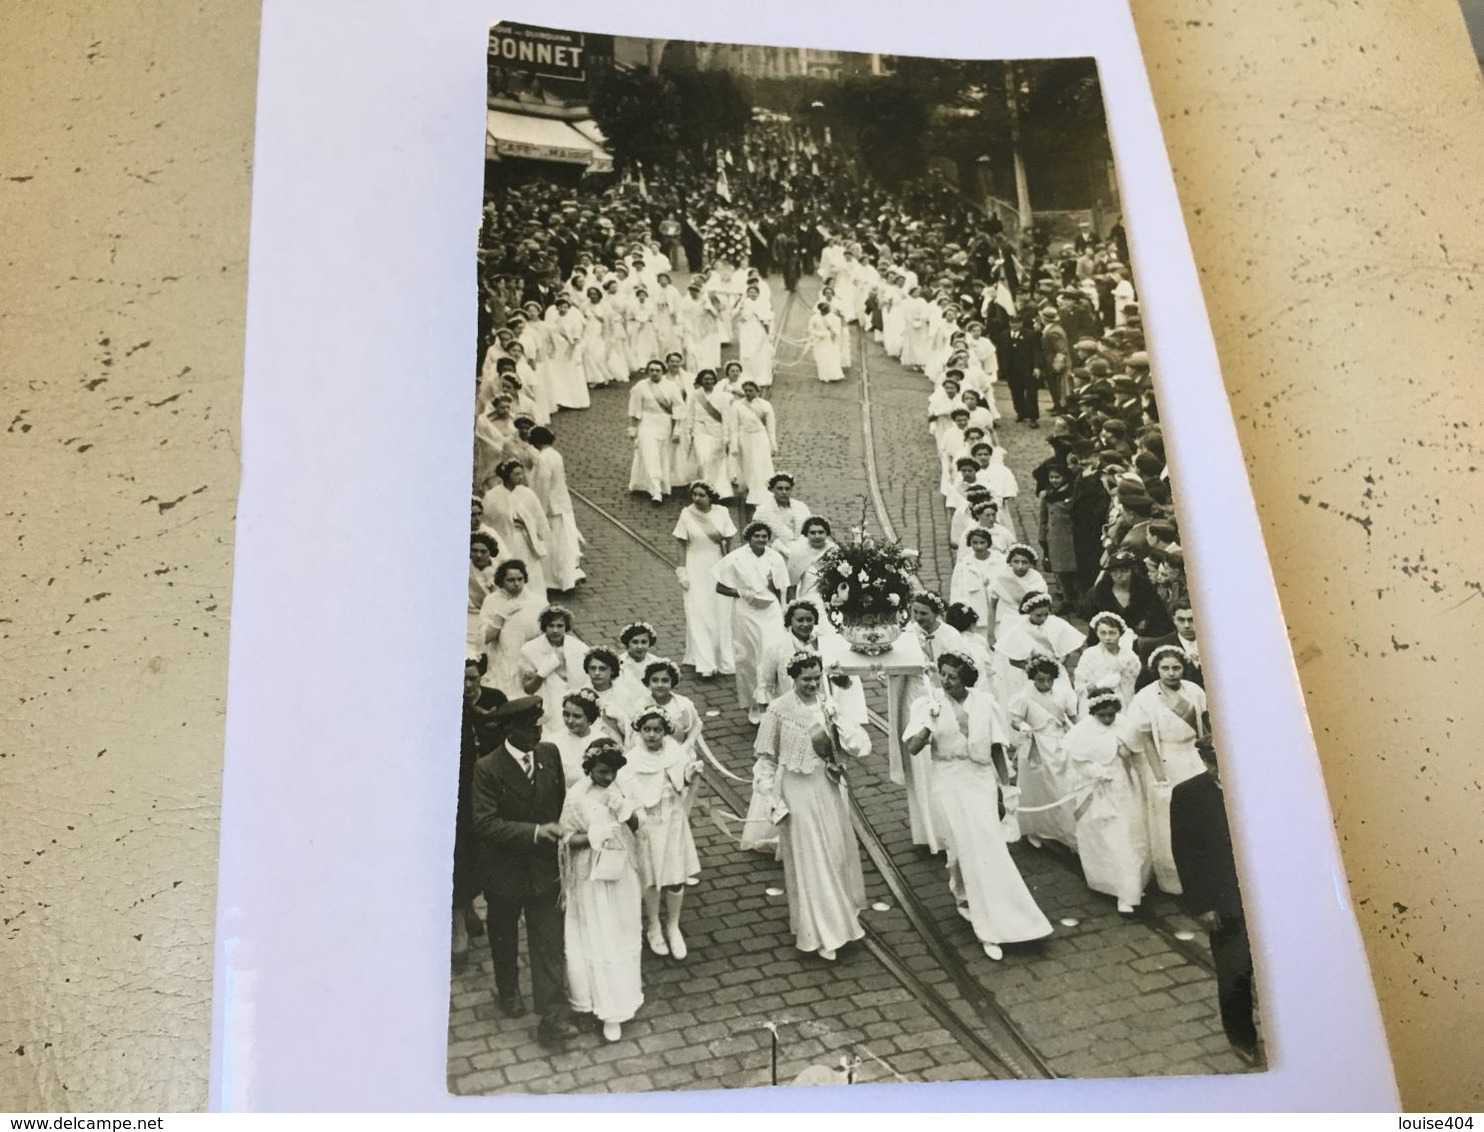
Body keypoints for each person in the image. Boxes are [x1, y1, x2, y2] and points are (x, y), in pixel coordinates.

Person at [902, 652, 1054, 960]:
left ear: (966, 679)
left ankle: (1002, 921)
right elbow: (914, 748)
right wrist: (928, 725)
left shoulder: (985, 703)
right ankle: (965, 897)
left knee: (988, 849)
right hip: (948, 781)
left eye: (952, 676)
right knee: (962, 848)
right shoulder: (926, 704)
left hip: (980, 780)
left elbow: (998, 749)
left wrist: (1005, 788)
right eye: (942, 674)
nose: (945, 681)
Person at [470, 696, 581, 1049]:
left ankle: (552, 1014)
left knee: (548, 941)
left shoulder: (549, 755)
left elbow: (559, 801)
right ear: (510, 731)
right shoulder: (488, 768)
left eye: (538, 726)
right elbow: (485, 824)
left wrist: (559, 833)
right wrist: (535, 832)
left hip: (544, 869)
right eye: (530, 729)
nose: (538, 733)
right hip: (504, 872)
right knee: (503, 937)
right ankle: (508, 990)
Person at [752, 653, 871, 960]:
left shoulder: (828, 705)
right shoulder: (778, 711)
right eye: (806, 679)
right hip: (797, 790)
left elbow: (861, 747)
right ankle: (821, 932)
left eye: (817, 678)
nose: (812, 684)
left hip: (827, 787)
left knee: (834, 852)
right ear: (793, 678)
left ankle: (842, 918)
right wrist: (770, 797)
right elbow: (765, 760)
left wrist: (838, 722)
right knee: (812, 859)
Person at [1170, 728, 1259, 1064]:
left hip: (1265, 898)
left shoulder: (1257, 785)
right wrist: (1202, 905)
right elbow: (1186, 854)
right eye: (1218, 761)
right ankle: (1242, 1038)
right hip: (1225, 904)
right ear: (1206, 761)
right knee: (1235, 974)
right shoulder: (1188, 796)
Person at [558, 737, 644, 1044]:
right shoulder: (577, 795)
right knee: (595, 934)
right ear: (590, 767)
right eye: (602, 772)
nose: (608, 778)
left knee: (620, 931)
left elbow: (639, 825)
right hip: (590, 876)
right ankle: (594, 1002)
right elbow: (565, 837)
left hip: (620, 872)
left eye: (612, 772)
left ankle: (617, 1007)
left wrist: (625, 811)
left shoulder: (623, 788)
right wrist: (595, 835)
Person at [1120, 646, 1210, 894]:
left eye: (1176, 668)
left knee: (1200, 816)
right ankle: (1175, 879)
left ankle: (1204, 873)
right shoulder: (1145, 698)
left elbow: (1206, 727)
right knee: (1169, 819)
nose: (1171, 673)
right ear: (1156, 669)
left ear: (1184, 668)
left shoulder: (1195, 691)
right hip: (1165, 761)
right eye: (1165, 668)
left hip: (1195, 756)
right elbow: (1147, 740)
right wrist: (1161, 778)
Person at [618, 709, 703, 959]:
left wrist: (689, 775)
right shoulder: (632, 760)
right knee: (652, 876)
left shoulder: (676, 752)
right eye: (647, 730)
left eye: (657, 730)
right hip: (649, 824)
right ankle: (654, 925)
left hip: (674, 821)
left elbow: (682, 782)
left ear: (665, 731)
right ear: (640, 731)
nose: (652, 735)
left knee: (676, 876)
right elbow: (627, 792)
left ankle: (673, 925)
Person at [1063, 686, 1152, 914]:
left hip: (1126, 787)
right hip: (1101, 791)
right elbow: (1078, 762)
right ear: (1093, 712)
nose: (1108, 719)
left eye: (1111, 714)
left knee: (1134, 835)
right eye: (1102, 715)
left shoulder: (1125, 725)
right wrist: (1096, 771)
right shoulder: (1083, 731)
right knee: (1114, 839)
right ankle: (1122, 890)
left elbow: (1138, 755)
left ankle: (1133, 885)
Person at [714, 521, 790, 725]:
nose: (761, 540)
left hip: (771, 610)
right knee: (749, 657)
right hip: (746, 612)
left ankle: (775, 703)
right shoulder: (735, 558)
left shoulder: (775, 558)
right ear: (749, 538)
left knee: (772, 653)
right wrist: (740, 592)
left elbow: (783, 587)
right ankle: (754, 704)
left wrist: (785, 609)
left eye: (764, 536)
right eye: (756, 536)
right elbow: (720, 587)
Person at [1005, 653, 1081, 851]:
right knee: (1038, 787)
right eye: (1040, 680)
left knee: (1063, 785)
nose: (1045, 683)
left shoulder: (1063, 693)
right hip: (1036, 744)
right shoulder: (1024, 697)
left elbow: (1073, 717)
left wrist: (1080, 735)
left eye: (1049, 680)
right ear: (1032, 678)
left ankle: (1066, 830)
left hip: (1059, 741)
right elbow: (1015, 719)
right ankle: (1038, 828)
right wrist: (1022, 725)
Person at [481, 460, 552, 598]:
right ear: (507, 475)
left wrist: (527, 524)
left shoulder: (528, 494)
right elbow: (488, 520)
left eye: (522, 473)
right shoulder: (492, 496)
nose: (521, 477)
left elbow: (538, 517)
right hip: (504, 540)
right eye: (517, 474)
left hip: (524, 540)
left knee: (528, 570)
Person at [527, 426, 584, 593]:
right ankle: (566, 575)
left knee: (553, 543)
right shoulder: (555, 454)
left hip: (552, 506)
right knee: (563, 542)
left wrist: (540, 509)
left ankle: (555, 579)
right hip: (562, 502)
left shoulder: (543, 458)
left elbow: (544, 484)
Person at [479, 559, 546, 698]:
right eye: (511, 580)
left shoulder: (538, 601)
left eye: (520, 579)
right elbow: (486, 637)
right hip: (503, 658)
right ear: (501, 581)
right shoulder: (491, 601)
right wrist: (500, 616)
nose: (516, 584)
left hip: (529, 656)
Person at [517, 604, 588, 726]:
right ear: (544, 627)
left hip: (574, 705)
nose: (555, 630)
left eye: (560, 626)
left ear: (566, 627)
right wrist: (543, 672)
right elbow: (528, 689)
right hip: (547, 703)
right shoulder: (529, 650)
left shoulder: (580, 648)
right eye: (551, 626)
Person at [627, 360, 681, 505]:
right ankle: (656, 492)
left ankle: (659, 486)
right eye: (651, 370)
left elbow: (678, 409)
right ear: (648, 371)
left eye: (658, 370)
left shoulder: (671, 387)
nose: (654, 373)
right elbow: (635, 409)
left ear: (663, 371)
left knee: (662, 455)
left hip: (664, 424)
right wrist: (633, 428)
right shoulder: (641, 386)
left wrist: (677, 430)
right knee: (650, 455)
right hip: (646, 423)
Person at [1073, 610, 1142, 708]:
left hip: (1123, 702)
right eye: (1103, 633)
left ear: (1120, 634)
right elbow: (1079, 685)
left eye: (1112, 633)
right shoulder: (1089, 655)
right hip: (1096, 700)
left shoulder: (1129, 657)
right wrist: (1094, 686)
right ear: (1097, 634)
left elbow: (1133, 685)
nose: (1108, 638)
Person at [725, 380, 778, 506]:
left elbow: (771, 427)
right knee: (750, 464)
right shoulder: (737, 406)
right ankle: (753, 489)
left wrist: (773, 444)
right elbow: (734, 427)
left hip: (761, 437)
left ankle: (763, 488)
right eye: (746, 391)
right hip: (745, 438)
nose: (748, 393)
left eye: (751, 391)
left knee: (762, 463)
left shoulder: (765, 405)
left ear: (757, 391)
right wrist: (734, 445)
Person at [680, 370, 732, 497]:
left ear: (714, 380)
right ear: (700, 380)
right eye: (705, 379)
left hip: (717, 431)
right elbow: (690, 414)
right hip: (700, 430)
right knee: (703, 458)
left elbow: (726, 416)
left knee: (716, 460)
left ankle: (720, 489)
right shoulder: (695, 395)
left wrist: (726, 435)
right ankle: (705, 486)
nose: (708, 382)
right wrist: (689, 431)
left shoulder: (722, 396)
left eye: (710, 379)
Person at [544, 687, 603, 787]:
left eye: (577, 716)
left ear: (590, 717)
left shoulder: (602, 741)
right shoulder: (552, 742)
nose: (570, 721)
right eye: (566, 715)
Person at [751, 472, 813, 558]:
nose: (784, 492)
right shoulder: (763, 511)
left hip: (801, 552)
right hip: (774, 553)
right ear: (772, 490)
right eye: (780, 488)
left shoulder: (801, 507)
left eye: (787, 489)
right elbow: (757, 539)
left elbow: (810, 531)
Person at [613, 621, 671, 708]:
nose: (640, 646)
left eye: (644, 642)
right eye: (635, 642)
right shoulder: (619, 663)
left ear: (649, 643)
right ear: (627, 644)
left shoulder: (656, 662)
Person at [787, 516, 835, 605]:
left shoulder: (834, 550)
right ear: (806, 534)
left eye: (821, 532)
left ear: (826, 533)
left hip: (831, 601)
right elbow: (791, 586)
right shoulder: (798, 552)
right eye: (812, 533)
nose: (817, 536)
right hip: (807, 602)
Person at [738, 281, 775, 387]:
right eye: (750, 292)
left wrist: (768, 333)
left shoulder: (763, 303)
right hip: (747, 331)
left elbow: (767, 319)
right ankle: (748, 375)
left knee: (760, 353)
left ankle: (761, 376)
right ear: (748, 293)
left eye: (755, 292)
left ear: (758, 294)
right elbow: (741, 317)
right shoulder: (744, 303)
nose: (753, 294)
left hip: (759, 331)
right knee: (748, 353)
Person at [808, 300, 845, 383]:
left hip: (830, 341)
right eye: (823, 310)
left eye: (826, 310)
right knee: (821, 358)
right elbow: (810, 329)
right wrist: (818, 334)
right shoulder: (815, 318)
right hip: (819, 342)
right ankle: (824, 376)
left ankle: (834, 375)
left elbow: (837, 331)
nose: (825, 311)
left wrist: (830, 336)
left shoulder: (835, 319)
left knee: (832, 357)